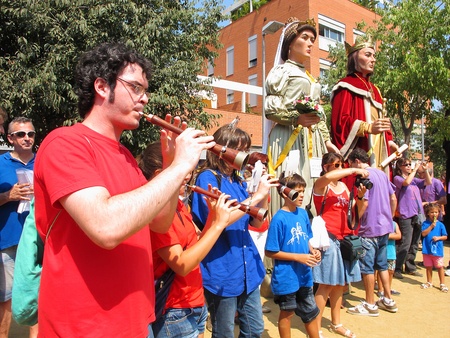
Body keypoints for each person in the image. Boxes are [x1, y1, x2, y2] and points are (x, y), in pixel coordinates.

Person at [33, 42, 216, 337]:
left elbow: (160, 222)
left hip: (134, 320)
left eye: (145, 90)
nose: (144, 99)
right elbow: (105, 227)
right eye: (135, 88)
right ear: (102, 87)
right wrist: (181, 166)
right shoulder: (65, 143)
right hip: (83, 327)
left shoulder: (127, 157)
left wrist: (171, 169)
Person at [138, 141, 239, 338]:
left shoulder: (178, 204)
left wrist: (213, 216)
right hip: (175, 309)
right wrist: (218, 225)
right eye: (181, 169)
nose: (188, 175)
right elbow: (182, 263)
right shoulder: (157, 214)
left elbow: (197, 242)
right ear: (160, 174)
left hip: (194, 301)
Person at [190, 123, 276, 338]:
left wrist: (262, 191)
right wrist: (254, 197)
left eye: (246, 149)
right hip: (222, 270)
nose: (244, 156)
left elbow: (255, 223)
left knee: (254, 329)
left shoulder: (237, 181)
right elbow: (221, 220)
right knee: (224, 332)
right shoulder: (208, 178)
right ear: (222, 150)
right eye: (240, 149)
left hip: (248, 268)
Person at [264, 16, 339, 217]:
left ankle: (310, 223)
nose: (310, 43)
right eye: (305, 38)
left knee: (313, 180)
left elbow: (319, 111)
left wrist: (326, 140)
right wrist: (295, 119)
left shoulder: (310, 76)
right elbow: (270, 108)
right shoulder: (281, 71)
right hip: (289, 135)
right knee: (292, 177)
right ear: (290, 43)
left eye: (312, 40)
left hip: (312, 138)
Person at [312, 153, 368, 338]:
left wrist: (360, 198)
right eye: (335, 165)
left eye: (341, 164)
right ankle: (316, 327)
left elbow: (356, 212)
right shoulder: (322, 185)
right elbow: (327, 178)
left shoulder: (343, 186)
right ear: (325, 166)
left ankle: (337, 323)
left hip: (344, 239)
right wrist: (353, 169)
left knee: (339, 284)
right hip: (328, 239)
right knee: (326, 285)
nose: (339, 168)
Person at [330, 35, 398, 175]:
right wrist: (368, 127)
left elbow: (381, 123)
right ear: (354, 57)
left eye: (374, 56)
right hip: (359, 152)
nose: (373, 59)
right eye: (368, 55)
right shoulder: (346, 86)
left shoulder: (376, 90)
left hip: (379, 154)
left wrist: (389, 141)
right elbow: (339, 123)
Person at [265, 173, 321, 338]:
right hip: (286, 277)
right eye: (297, 191)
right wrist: (299, 258)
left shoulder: (303, 213)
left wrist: (312, 251)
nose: (302, 195)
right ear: (285, 193)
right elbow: (270, 251)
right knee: (287, 313)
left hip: (304, 275)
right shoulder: (278, 219)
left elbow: (306, 238)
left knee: (310, 312)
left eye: (303, 191)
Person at [346, 148, 398, 316]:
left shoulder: (363, 176)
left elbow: (364, 203)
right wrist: (389, 218)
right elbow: (393, 198)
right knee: (381, 265)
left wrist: (356, 221)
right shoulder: (382, 174)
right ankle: (387, 299)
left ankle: (370, 303)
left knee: (367, 267)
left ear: (356, 161)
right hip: (384, 226)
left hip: (369, 228)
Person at [0, 117, 36, 338]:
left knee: (36, 299)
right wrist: (7, 195)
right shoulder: (1, 164)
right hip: (8, 242)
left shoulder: (44, 162)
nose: (27, 138)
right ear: (10, 138)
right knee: (6, 303)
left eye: (31, 134)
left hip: (36, 242)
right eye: (21, 134)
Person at [392, 158, 431, 279]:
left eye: (410, 164)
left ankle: (410, 266)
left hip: (417, 213)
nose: (409, 166)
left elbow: (428, 182)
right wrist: (414, 170)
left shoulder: (414, 179)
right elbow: (406, 183)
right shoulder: (397, 179)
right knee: (406, 242)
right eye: (406, 165)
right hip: (405, 214)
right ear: (400, 167)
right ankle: (397, 267)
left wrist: (425, 171)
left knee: (414, 242)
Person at [420, 203, 448, 292]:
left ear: (439, 213)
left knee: (440, 266)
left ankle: (442, 283)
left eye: (436, 212)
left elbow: (445, 236)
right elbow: (423, 234)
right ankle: (429, 282)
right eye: (432, 212)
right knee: (428, 266)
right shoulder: (425, 223)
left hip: (437, 250)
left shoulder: (440, 225)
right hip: (427, 249)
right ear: (428, 213)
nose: (434, 214)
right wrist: (431, 226)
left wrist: (438, 238)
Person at [376, 221, 402, 297]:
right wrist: (391, 235)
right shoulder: (379, 223)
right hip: (382, 251)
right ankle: (380, 289)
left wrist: (388, 236)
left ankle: (388, 288)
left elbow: (399, 235)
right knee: (381, 270)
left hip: (391, 252)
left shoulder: (394, 224)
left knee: (391, 271)